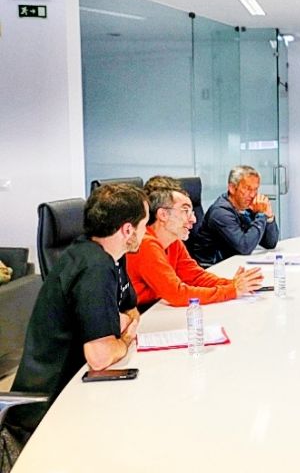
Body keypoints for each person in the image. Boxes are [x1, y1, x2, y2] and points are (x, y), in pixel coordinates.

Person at [6, 184, 147, 436]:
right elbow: (100, 356)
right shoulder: (93, 267)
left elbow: (132, 311)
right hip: (49, 412)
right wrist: (124, 338)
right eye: (144, 225)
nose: (146, 232)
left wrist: (120, 329)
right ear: (128, 230)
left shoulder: (112, 256)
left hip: (81, 388)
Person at [126, 184, 264, 309]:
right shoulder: (146, 244)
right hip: (141, 314)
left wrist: (232, 284)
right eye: (185, 210)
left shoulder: (174, 242)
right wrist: (232, 290)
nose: (194, 219)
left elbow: (195, 277)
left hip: (157, 308)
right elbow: (177, 294)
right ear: (163, 214)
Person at [191, 165, 279, 265]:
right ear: (232, 188)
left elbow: (270, 243)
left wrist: (269, 216)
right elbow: (245, 247)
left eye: (255, 189)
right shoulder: (220, 212)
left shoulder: (246, 207)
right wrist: (261, 214)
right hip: (212, 268)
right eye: (247, 189)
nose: (252, 195)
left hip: (232, 263)